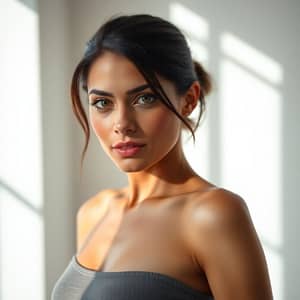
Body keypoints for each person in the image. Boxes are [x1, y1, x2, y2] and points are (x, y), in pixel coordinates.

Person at [51, 14, 273, 300]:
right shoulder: (93, 212)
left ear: (189, 99)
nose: (122, 123)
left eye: (144, 98)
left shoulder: (213, 215)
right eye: (103, 103)